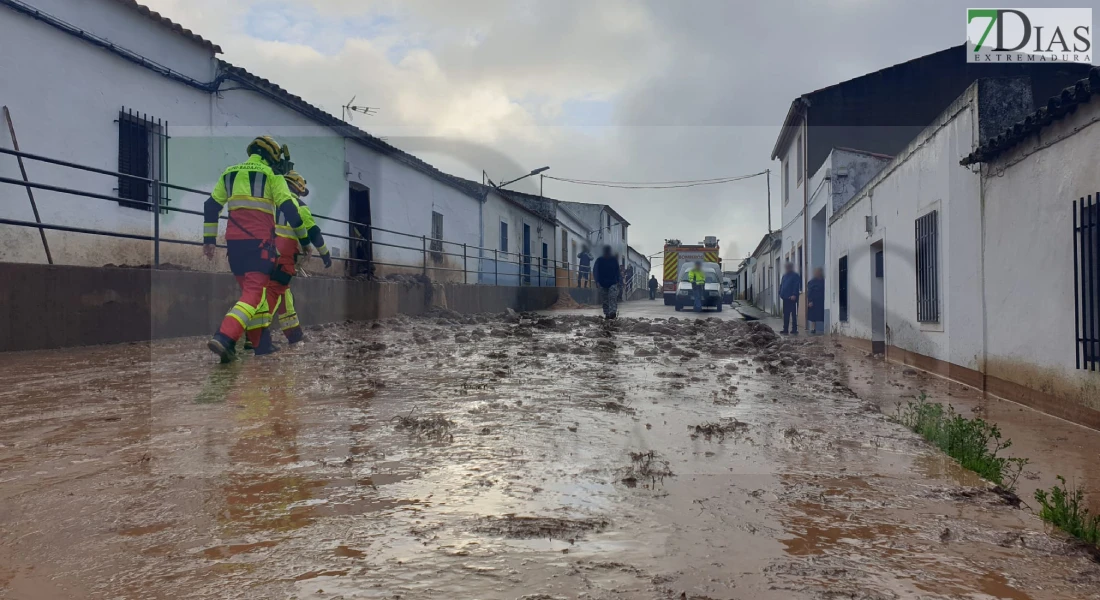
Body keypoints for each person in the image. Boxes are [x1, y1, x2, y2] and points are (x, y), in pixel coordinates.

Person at [204, 135, 305, 361]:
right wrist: (305, 240)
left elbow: (211, 206)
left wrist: (209, 240)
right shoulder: (272, 175)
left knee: (251, 297)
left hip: (234, 247)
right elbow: (289, 208)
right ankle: (224, 336)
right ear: (271, 156)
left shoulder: (229, 173)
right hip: (260, 246)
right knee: (253, 295)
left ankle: (260, 345)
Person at [267, 171, 332, 345]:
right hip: (283, 256)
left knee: (283, 293)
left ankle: (294, 335)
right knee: (274, 292)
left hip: (262, 252)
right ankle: (256, 335)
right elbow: (313, 232)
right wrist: (325, 253)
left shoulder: (269, 201)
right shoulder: (298, 205)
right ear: (298, 188)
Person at [592, 245, 622, 319]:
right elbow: (595, 271)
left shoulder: (613, 260)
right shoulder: (599, 260)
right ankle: (607, 314)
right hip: (603, 283)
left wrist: (618, 281)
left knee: (612, 298)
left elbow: (617, 271)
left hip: (612, 283)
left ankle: (613, 313)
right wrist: (597, 281)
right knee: (605, 300)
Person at [779, 261, 802, 335]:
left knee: (793, 314)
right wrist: (780, 293)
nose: (787, 268)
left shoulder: (795, 275)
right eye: (786, 267)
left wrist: (794, 294)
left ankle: (794, 329)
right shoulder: (784, 276)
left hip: (792, 298)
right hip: (785, 298)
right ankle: (785, 329)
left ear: (791, 267)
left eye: (788, 267)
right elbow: (782, 285)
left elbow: (796, 285)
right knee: (786, 314)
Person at [806, 267, 825, 335]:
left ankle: (825, 327)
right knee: (813, 316)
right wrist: (810, 301)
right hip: (814, 301)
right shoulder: (812, 281)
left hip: (821, 300)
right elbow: (809, 292)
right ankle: (813, 328)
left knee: (822, 314)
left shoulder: (823, 280)